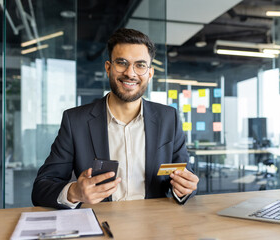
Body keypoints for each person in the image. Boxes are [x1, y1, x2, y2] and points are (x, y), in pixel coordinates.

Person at [32, 28, 199, 209]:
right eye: (122, 63)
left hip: (154, 226)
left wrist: (184, 188)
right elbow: (42, 187)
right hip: (101, 226)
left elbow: (184, 177)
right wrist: (74, 192)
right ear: (108, 68)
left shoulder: (169, 118)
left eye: (140, 65)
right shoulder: (76, 121)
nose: (130, 73)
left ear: (150, 73)